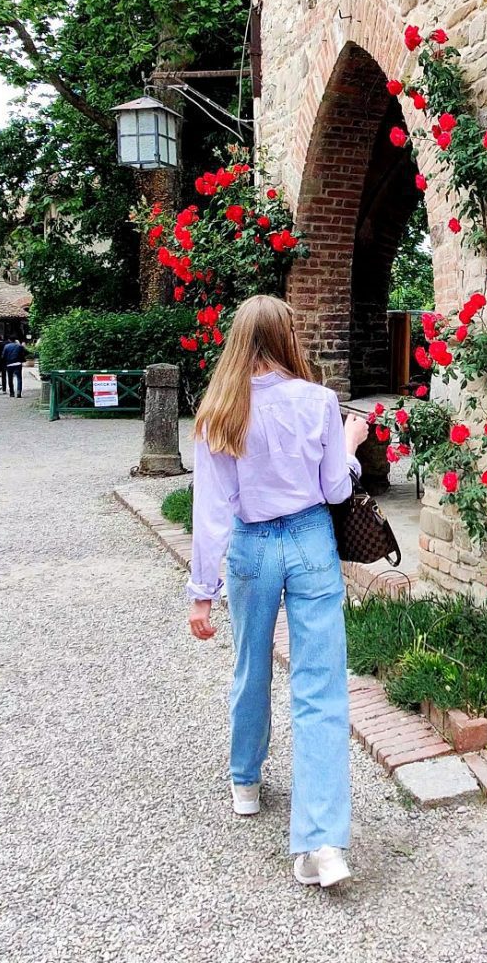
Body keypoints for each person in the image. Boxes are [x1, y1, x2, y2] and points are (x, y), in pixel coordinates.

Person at [186, 294, 368, 888]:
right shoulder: (318, 402)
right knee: (321, 686)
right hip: (312, 541)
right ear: (289, 337)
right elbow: (336, 490)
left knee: (250, 665)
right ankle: (322, 843)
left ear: (239, 339)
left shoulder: (219, 411)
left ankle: (245, 781)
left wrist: (201, 591)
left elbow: (210, 509)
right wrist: (351, 445)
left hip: (251, 546)